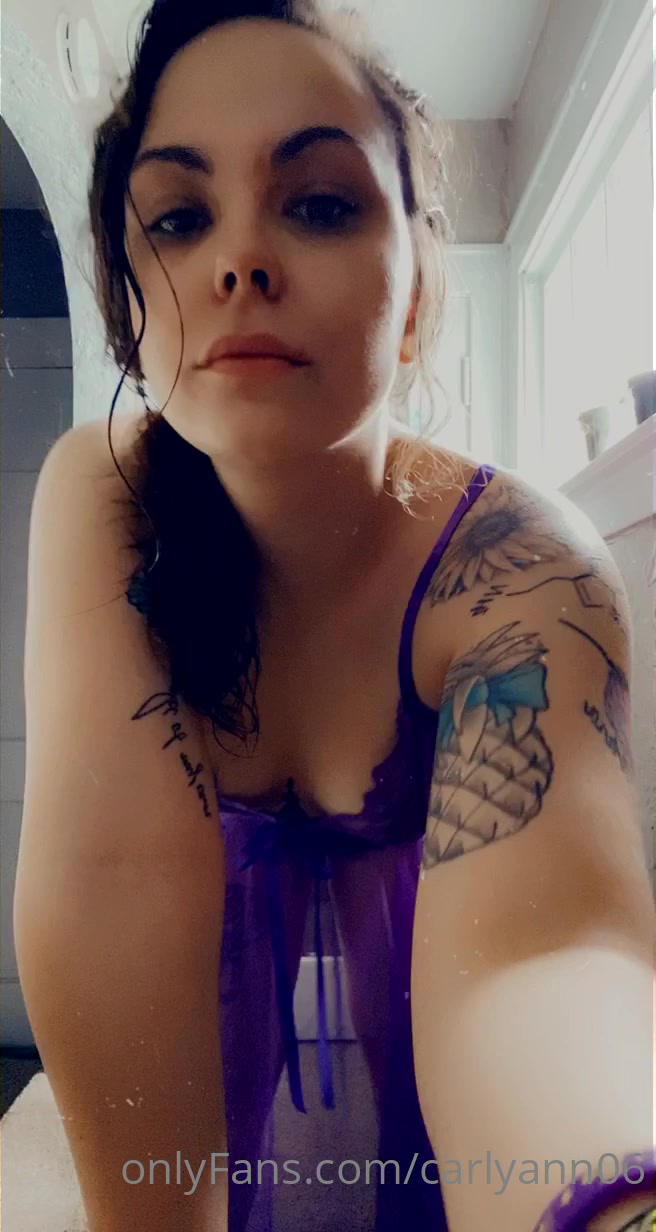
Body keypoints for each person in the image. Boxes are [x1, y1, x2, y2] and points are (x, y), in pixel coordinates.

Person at [13, 1, 656, 1230]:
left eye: (315, 203)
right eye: (178, 218)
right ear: (127, 305)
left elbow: (543, 954)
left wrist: (599, 1199)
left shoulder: (520, 564)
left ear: (415, 294)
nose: (239, 261)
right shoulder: (103, 498)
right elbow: (112, 889)